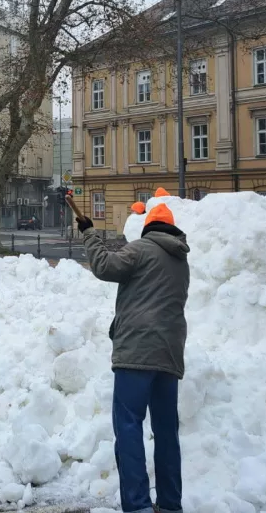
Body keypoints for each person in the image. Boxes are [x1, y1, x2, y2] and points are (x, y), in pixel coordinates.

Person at [77, 203, 189, 513]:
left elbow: (104, 267)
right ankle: (170, 505)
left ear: (148, 227)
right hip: (169, 354)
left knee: (128, 426)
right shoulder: (181, 260)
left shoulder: (142, 249)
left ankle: (138, 505)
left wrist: (89, 233)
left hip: (137, 351)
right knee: (166, 431)